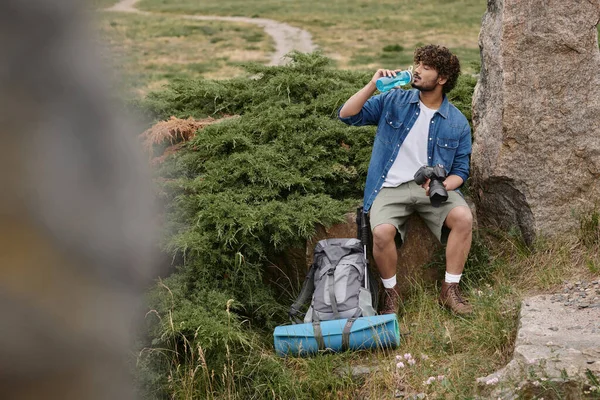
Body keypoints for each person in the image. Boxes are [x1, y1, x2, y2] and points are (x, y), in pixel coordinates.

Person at [338, 44, 473, 316]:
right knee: (381, 233)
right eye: (418, 64)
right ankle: (391, 292)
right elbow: (347, 115)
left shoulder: (457, 122)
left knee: (463, 218)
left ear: (442, 79)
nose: (417, 70)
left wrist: (443, 185)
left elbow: (461, 170)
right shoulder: (394, 100)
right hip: (390, 186)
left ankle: (450, 290)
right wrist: (372, 85)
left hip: (430, 190)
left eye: (426, 67)